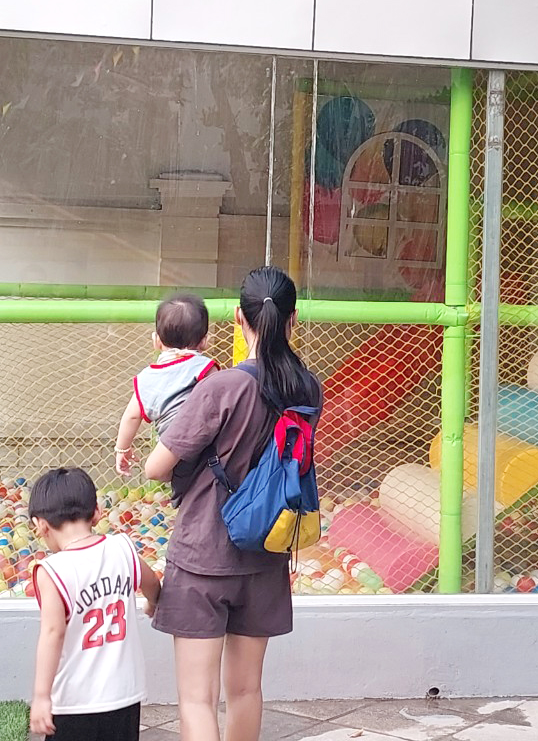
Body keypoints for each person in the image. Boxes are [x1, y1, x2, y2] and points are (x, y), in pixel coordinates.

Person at [144, 266, 321, 741]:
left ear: (238, 320)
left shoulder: (222, 387)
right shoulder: (307, 388)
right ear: (293, 319)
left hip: (203, 556)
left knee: (196, 699)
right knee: (245, 691)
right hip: (266, 553)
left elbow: (156, 467)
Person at [28, 467, 162, 741]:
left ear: (40, 525)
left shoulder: (51, 570)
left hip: (75, 701)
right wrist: (153, 602)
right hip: (124, 695)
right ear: (97, 512)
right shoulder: (122, 548)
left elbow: (53, 632)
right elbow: (152, 583)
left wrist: (42, 696)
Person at [116, 293, 218, 475]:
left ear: (156, 341)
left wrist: (122, 449)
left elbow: (131, 416)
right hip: (205, 450)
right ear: (204, 341)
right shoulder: (205, 368)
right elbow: (221, 400)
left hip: (168, 455)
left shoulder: (147, 377)